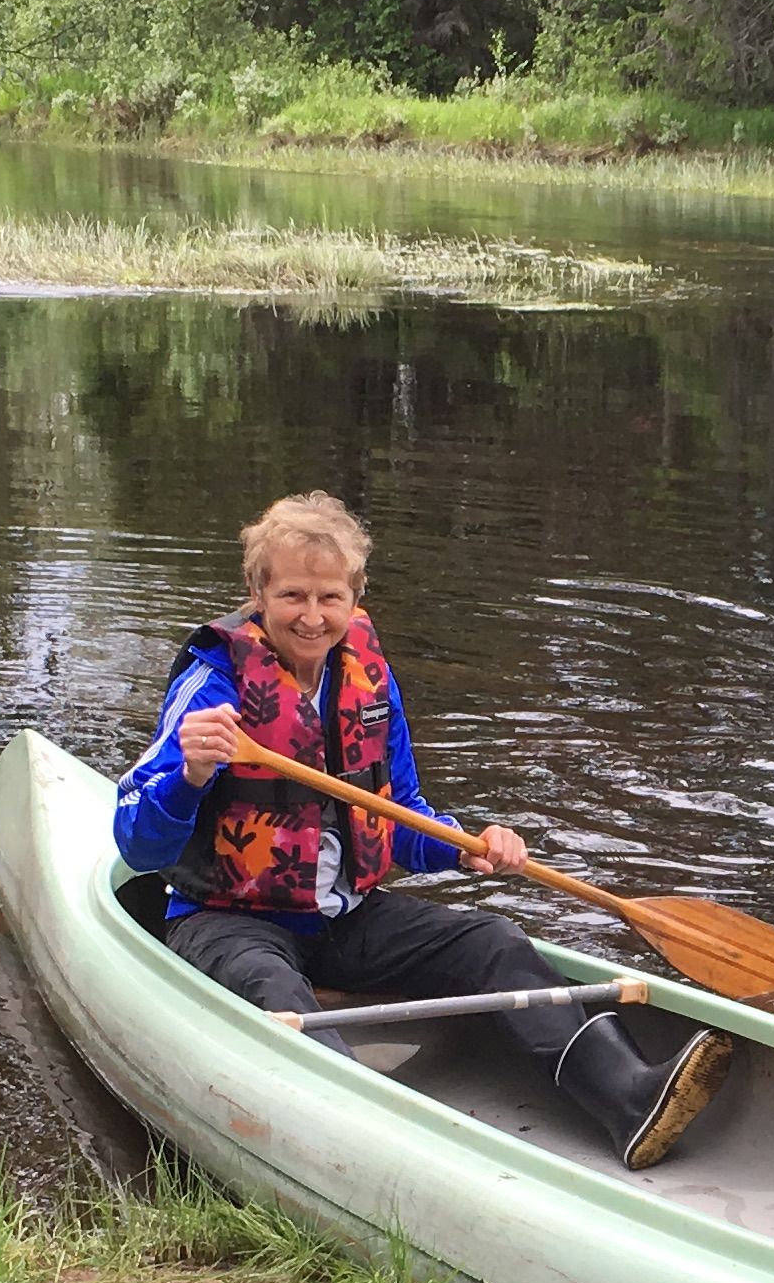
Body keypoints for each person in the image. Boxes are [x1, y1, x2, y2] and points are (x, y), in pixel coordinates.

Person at [112, 491, 733, 1169]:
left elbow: (400, 814)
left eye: (329, 598)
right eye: (293, 596)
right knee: (277, 994)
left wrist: (468, 848)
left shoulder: (368, 681)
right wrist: (190, 778)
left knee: (491, 940)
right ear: (259, 592)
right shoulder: (212, 689)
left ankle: (630, 1098)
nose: (313, 617)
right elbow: (139, 843)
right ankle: (362, 1145)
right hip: (225, 918)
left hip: (342, 918)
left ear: (354, 596)